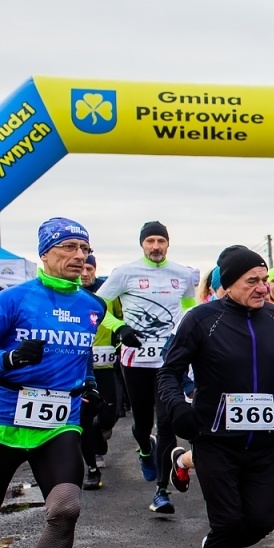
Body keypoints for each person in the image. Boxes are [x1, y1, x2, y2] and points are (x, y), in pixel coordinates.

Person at [157, 246, 274, 548]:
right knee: (226, 524)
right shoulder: (201, 320)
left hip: (260, 444)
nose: (263, 289)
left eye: (264, 280)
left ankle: (214, 543)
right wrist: (180, 411)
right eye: (252, 281)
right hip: (214, 440)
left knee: (260, 523)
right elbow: (168, 374)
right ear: (228, 284)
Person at [5, 219, 102, 548]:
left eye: (84, 247)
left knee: (65, 509)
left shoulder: (91, 307)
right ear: (45, 253)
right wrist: (9, 359)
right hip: (4, 419)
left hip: (58, 422)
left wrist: (91, 385)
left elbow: (80, 357)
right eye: (68, 247)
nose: (79, 256)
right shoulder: (13, 299)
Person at [98, 220, 196, 516]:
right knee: (142, 423)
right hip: (135, 360)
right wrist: (119, 327)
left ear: (168, 244)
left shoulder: (182, 274)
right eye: (150, 241)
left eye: (161, 241)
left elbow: (190, 308)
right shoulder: (125, 272)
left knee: (166, 422)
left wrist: (187, 339)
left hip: (169, 361)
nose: (156, 246)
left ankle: (161, 492)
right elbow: (96, 306)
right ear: (142, 244)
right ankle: (144, 448)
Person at [80, 253, 123, 492]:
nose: (85, 273)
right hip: (81, 366)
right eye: (82, 268)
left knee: (108, 416)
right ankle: (91, 466)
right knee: (85, 418)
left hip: (106, 365)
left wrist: (119, 337)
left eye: (89, 269)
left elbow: (118, 317)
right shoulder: (71, 296)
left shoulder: (107, 294)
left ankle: (99, 435)